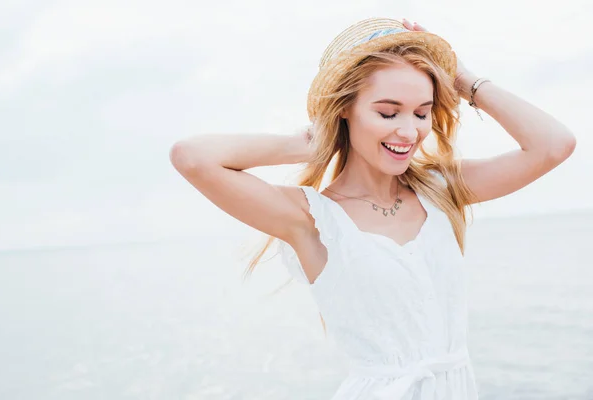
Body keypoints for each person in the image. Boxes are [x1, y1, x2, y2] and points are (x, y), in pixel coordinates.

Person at [169, 17, 576, 400]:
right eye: (387, 111)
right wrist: (306, 145)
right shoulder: (312, 218)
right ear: (345, 109)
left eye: (422, 112)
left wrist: (465, 80)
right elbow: (192, 157)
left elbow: (553, 145)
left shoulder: (440, 191)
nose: (409, 130)